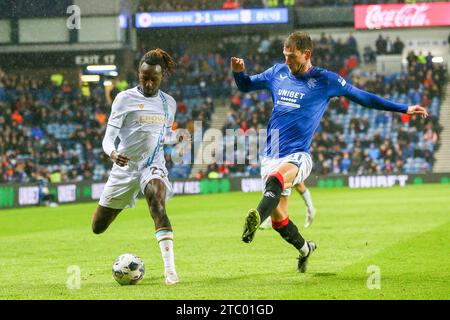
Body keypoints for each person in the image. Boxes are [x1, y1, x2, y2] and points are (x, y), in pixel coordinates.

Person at [231, 31, 428, 273]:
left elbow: (363, 97)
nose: (287, 61)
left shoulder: (326, 80)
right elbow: (245, 86)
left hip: (298, 156)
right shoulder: (277, 72)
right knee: (279, 221)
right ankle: (306, 249)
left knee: (276, 180)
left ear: (307, 54)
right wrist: (238, 71)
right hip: (270, 155)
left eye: (291, 56)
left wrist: (404, 108)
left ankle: (252, 224)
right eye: (285, 56)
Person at [92, 48, 188, 285]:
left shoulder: (169, 104)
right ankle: (125, 199)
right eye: (144, 77)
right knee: (98, 226)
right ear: (139, 74)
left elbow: (161, 135)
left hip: (152, 166)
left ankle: (170, 271)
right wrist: (112, 153)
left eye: (153, 79)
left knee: (157, 202)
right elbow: (108, 137)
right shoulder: (124, 99)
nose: (147, 83)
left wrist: (177, 138)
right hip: (124, 168)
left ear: (161, 76)